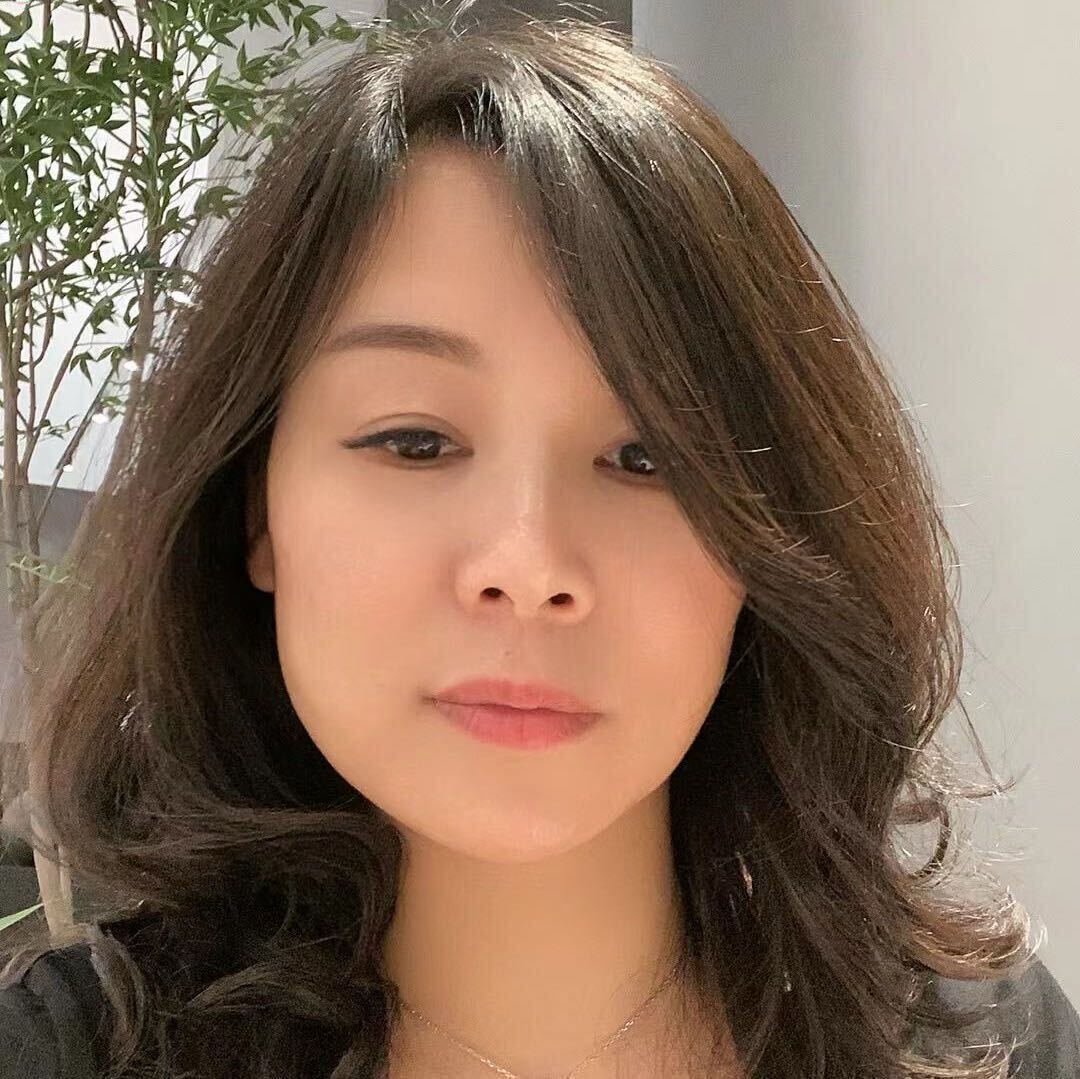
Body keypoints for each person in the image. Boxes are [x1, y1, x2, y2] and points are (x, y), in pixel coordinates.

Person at [2, 2, 1078, 1077]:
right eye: (415, 440)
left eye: (648, 457)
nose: (528, 563)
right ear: (258, 511)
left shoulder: (989, 1046)